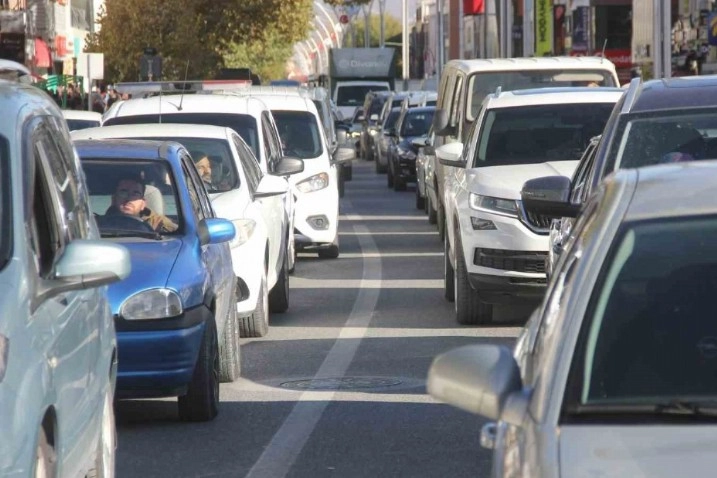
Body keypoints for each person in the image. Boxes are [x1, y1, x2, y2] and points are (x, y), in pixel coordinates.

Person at [105, 176, 177, 233]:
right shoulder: (98, 225)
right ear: (113, 199)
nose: (129, 198)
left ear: (143, 204)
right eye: (123, 192)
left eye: (135, 193)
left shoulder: (159, 224)